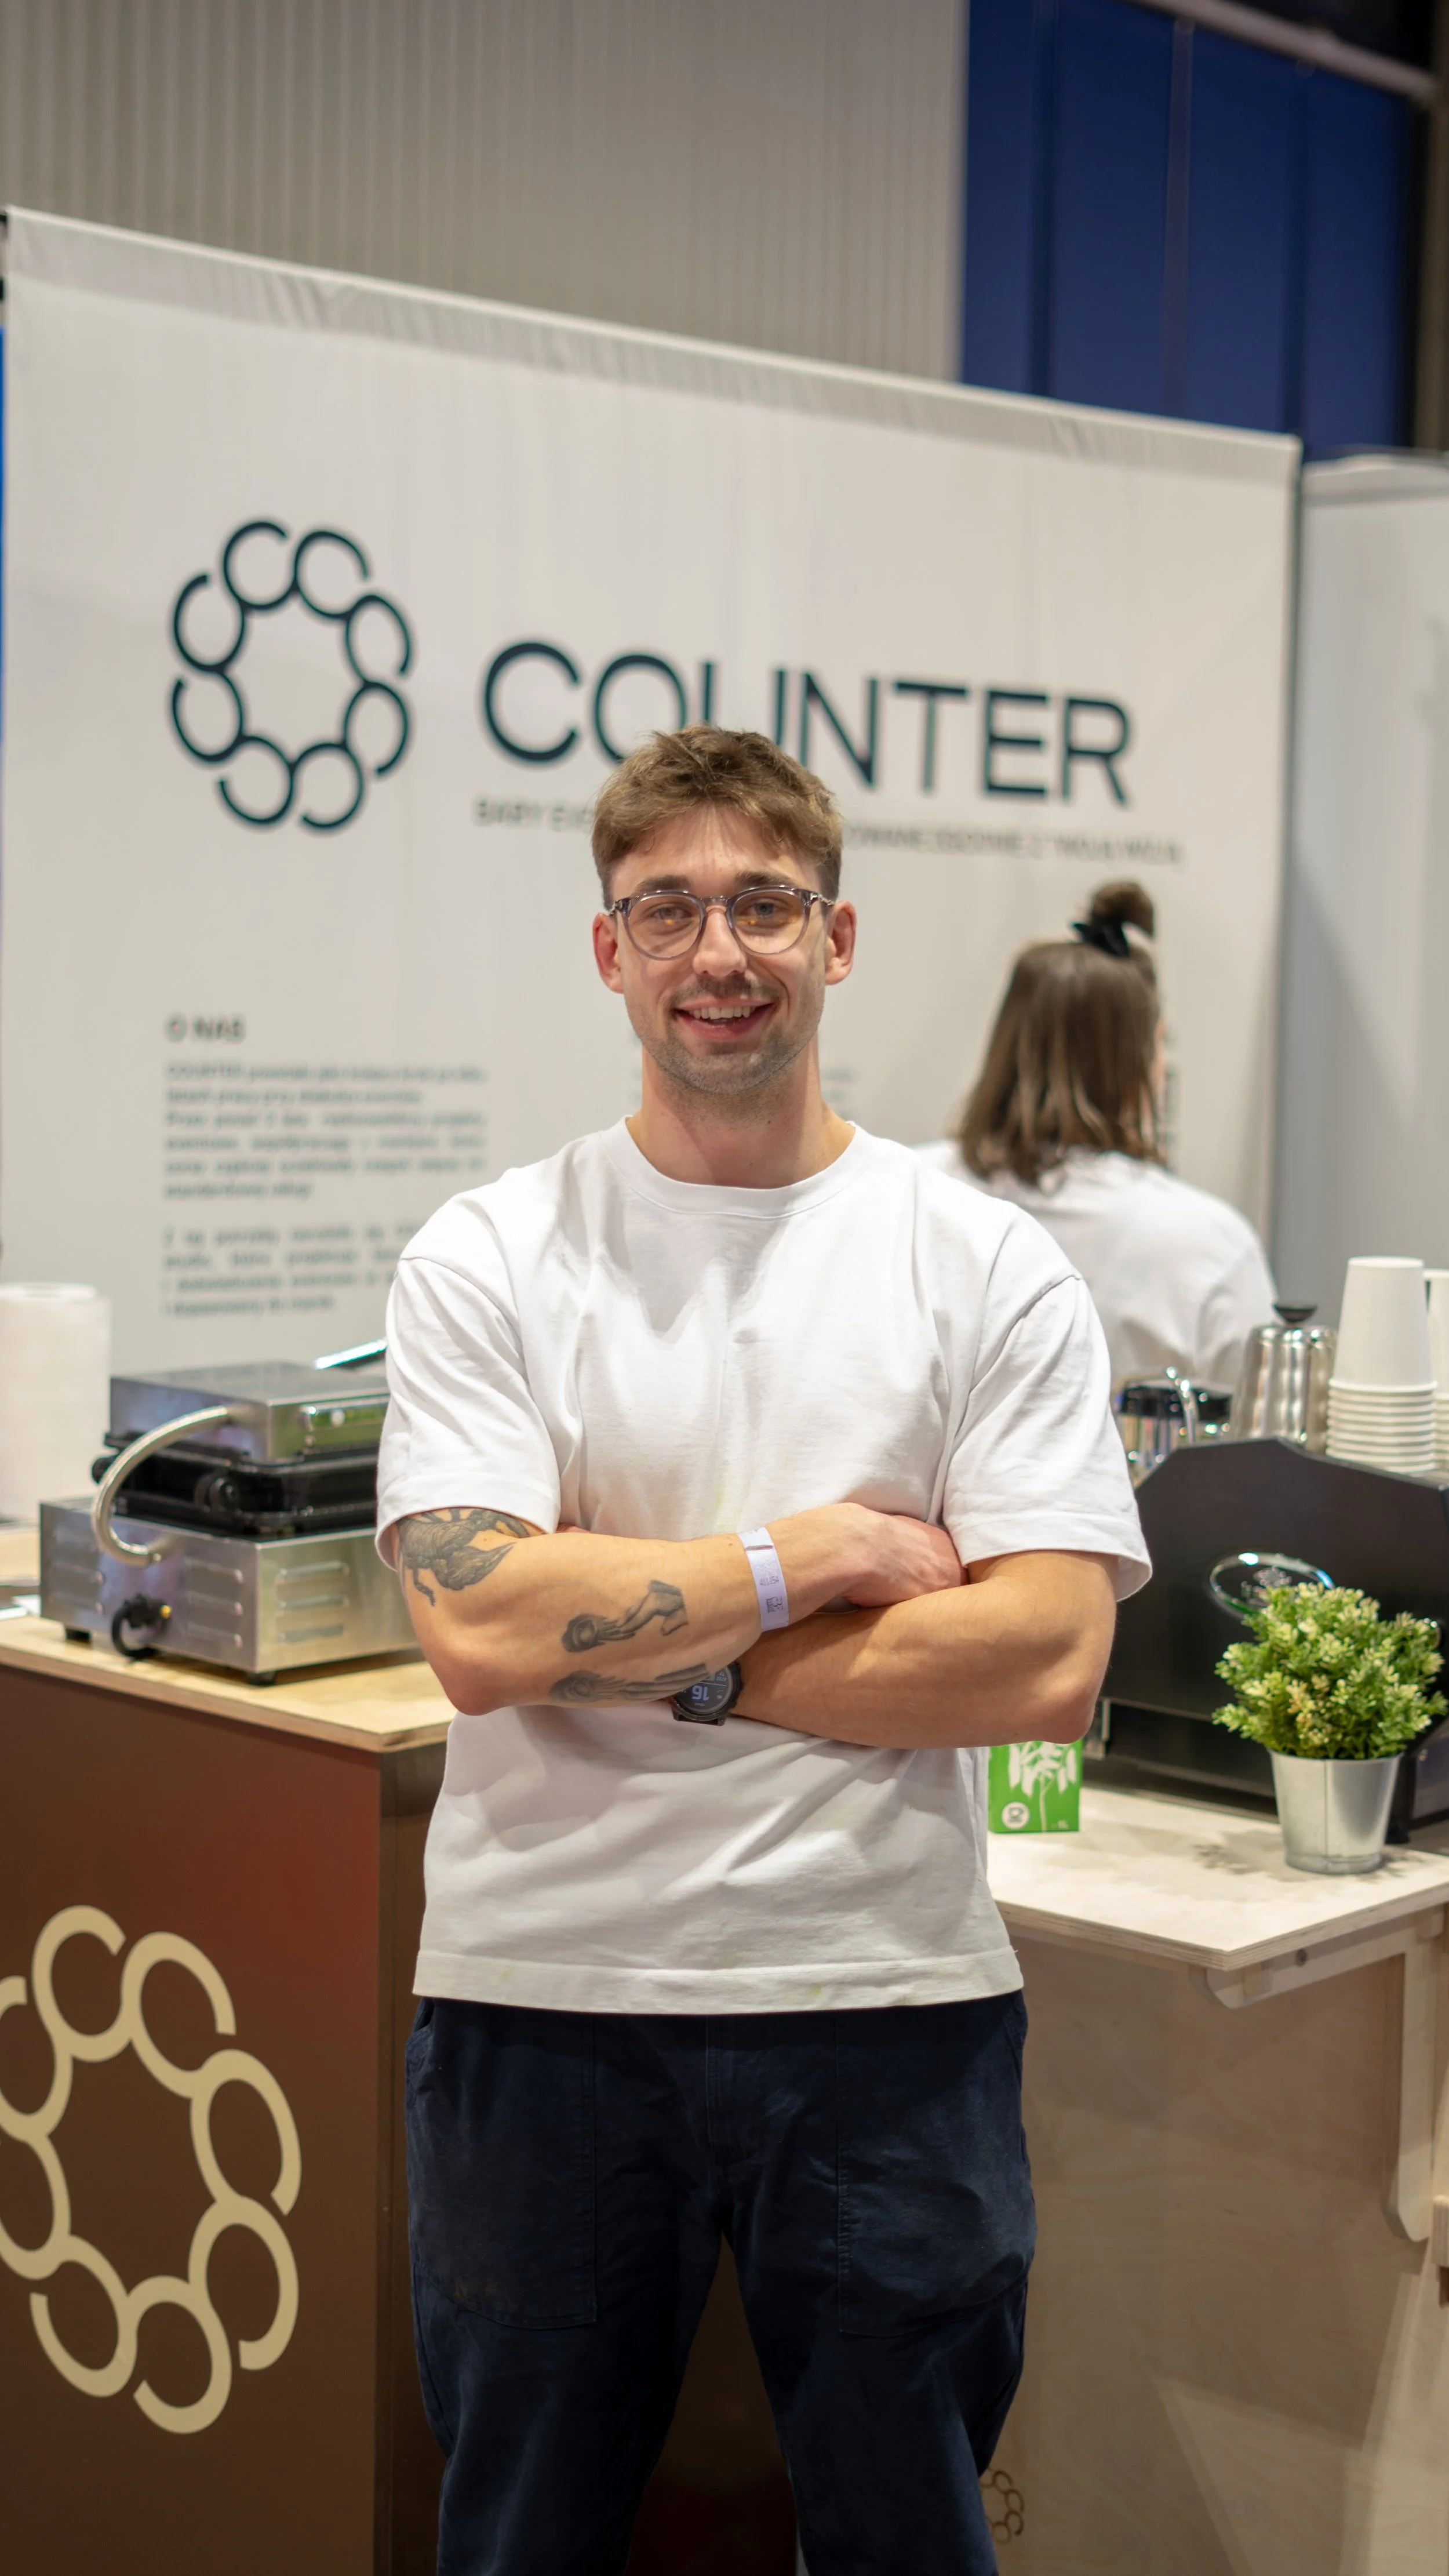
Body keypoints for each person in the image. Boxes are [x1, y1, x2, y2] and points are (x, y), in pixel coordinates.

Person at [377, 725, 1149, 2576]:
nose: (716, 949)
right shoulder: (491, 1255)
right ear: (607, 949)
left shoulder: (975, 1265)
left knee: (903, 2539)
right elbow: (480, 1623)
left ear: (836, 934)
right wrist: (800, 1559)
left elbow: (1043, 1651)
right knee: (518, 2539)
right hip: (543, 2004)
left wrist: (662, 1647)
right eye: (667, 907)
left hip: (884, 2005)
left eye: (760, 904)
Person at [918, 881, 1276, 1391]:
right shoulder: (1208, 1242)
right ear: (1138, 1064)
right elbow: (1253, 1442)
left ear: (1008, 1042)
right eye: (1160, 1043)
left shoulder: (910, 1188)